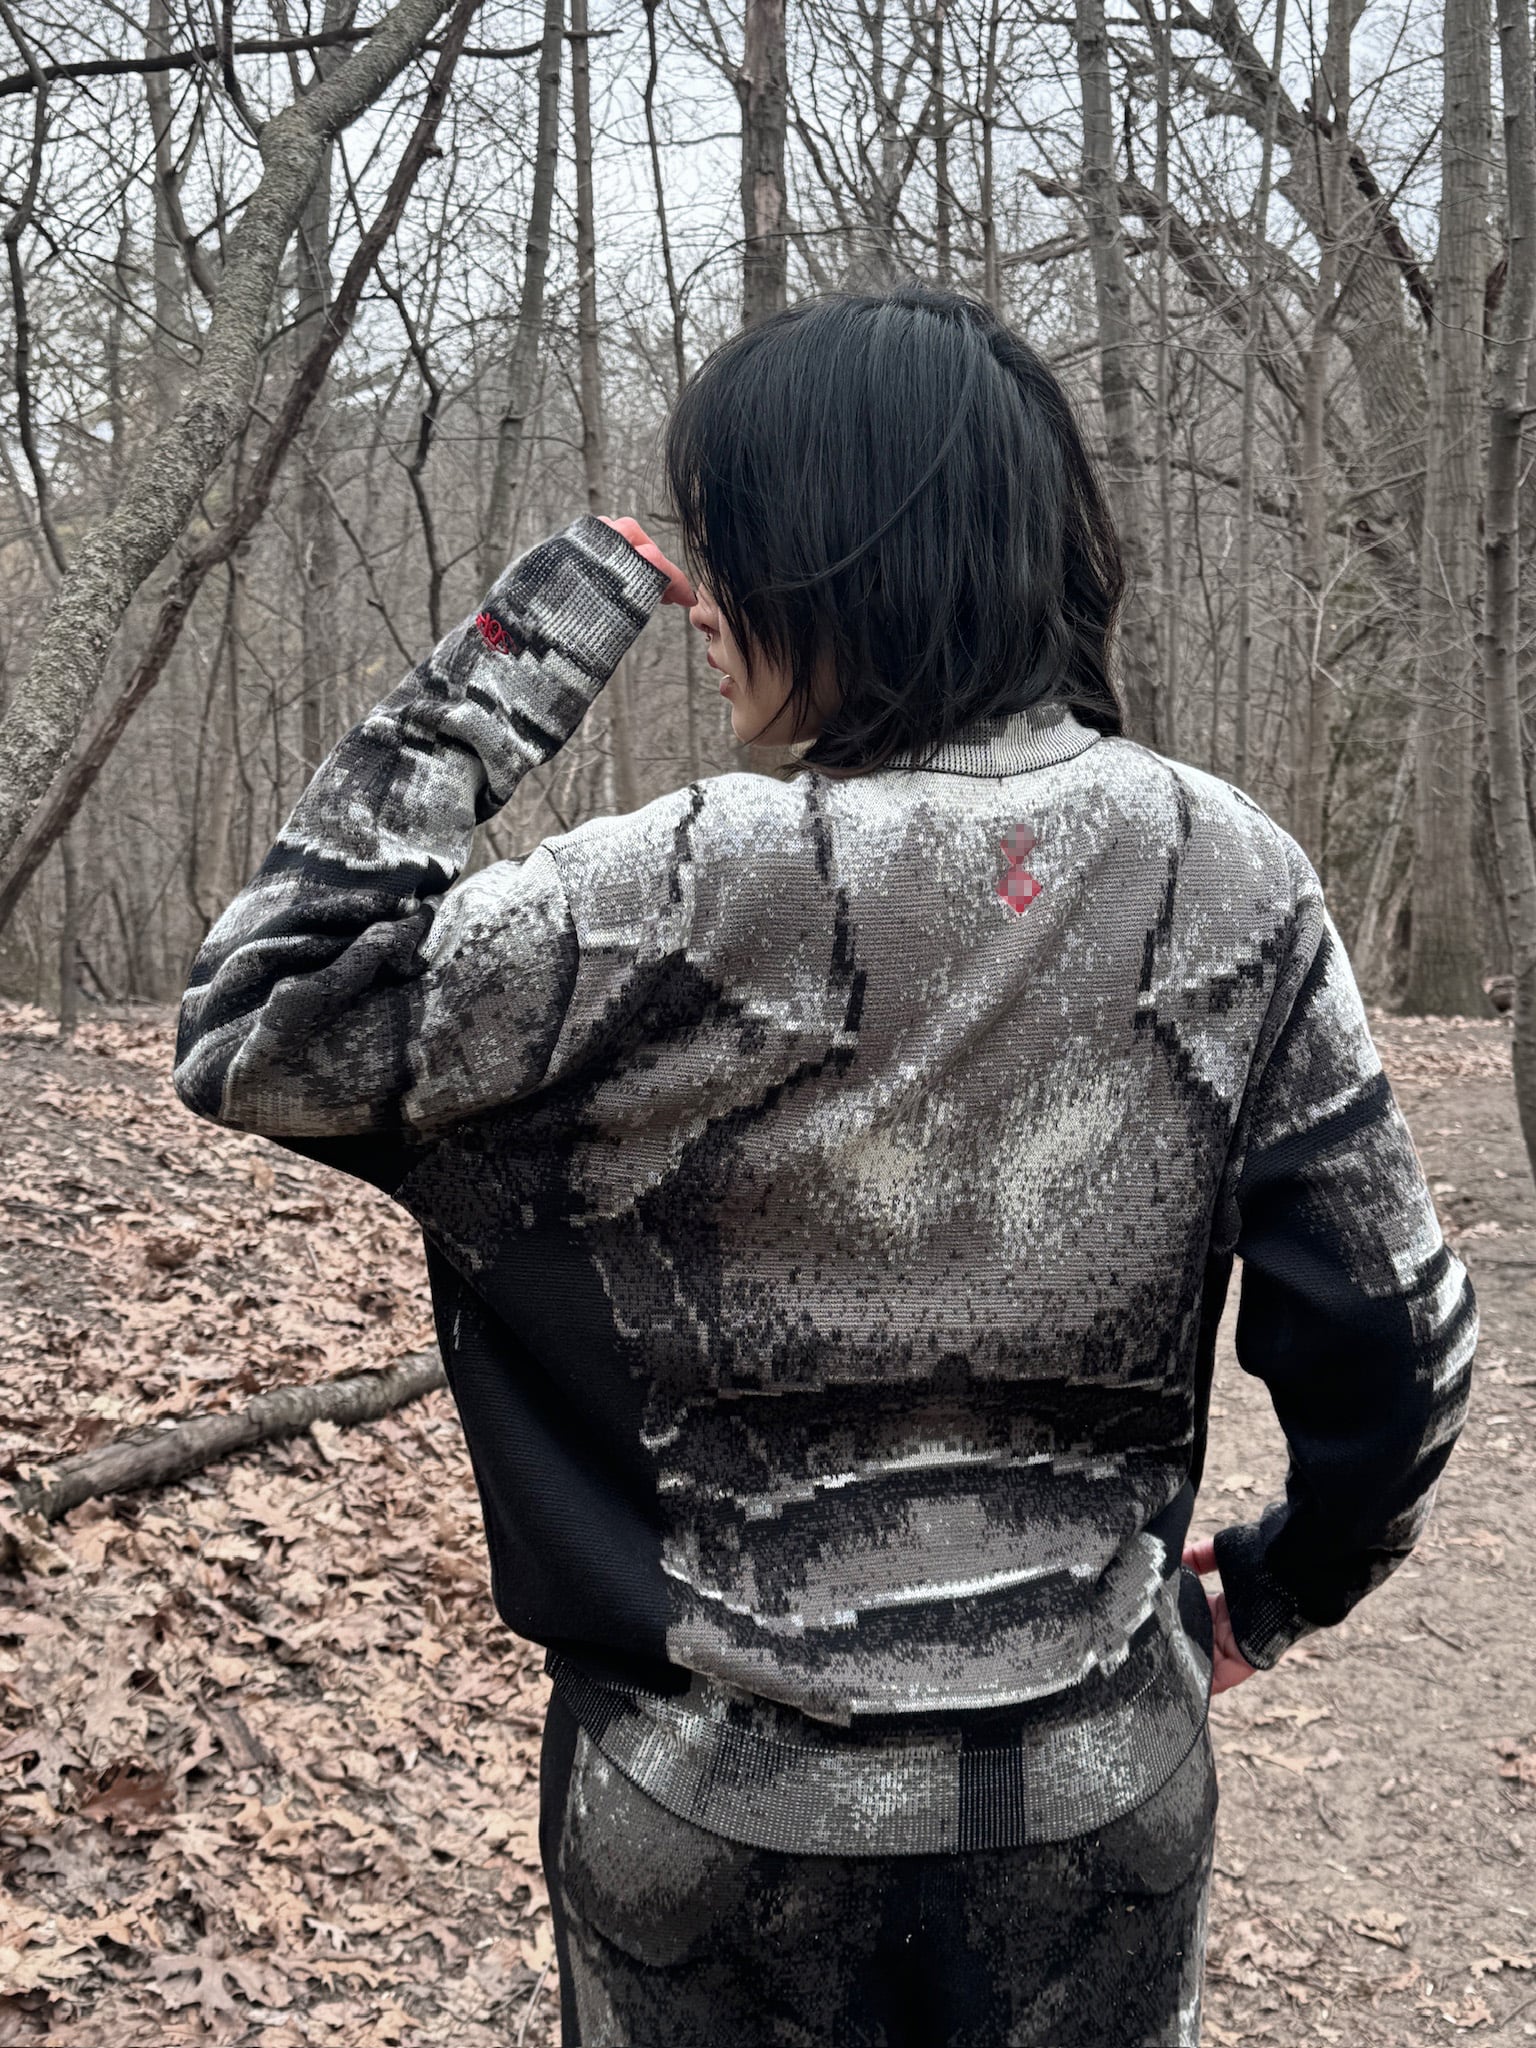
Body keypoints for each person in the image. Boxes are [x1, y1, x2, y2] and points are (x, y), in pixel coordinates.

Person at [171, 287, 1477, 2048]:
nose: (701, 603)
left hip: (703, 1817)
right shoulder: (1226, 874)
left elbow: (260, 1015)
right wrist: (1271, 1591)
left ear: (842, 563)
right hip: (1092, 1795)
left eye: (731, 548)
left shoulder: (660, 891)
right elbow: (1402, 1340)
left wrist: (544, 621)